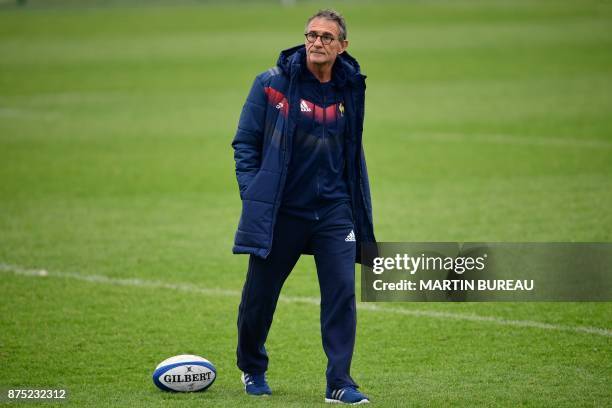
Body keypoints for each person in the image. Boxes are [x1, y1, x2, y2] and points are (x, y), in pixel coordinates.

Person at [231, 9, 375, 405]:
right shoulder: (272, 84)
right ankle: (252, 367)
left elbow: (349, 148)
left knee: (342, 292)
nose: (316, 42)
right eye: (311, 35)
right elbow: (245, 143)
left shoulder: (350, 87)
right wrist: (254, 192)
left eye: (327, 37)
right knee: (260, 296)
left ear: (342, 46)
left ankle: (340, 382)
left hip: (334, 211)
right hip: (283, 210)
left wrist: (351, 201)